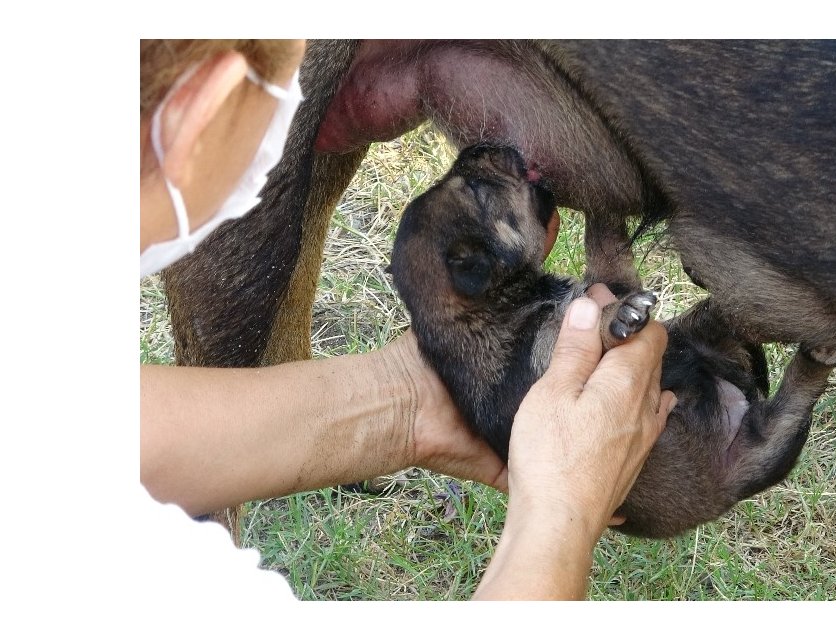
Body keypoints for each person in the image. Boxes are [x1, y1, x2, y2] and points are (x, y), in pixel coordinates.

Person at [138, 39, 674, 601]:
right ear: (196, 111)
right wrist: (561, 513)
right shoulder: (182, 579)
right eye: (290, 80)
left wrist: (408, 403)